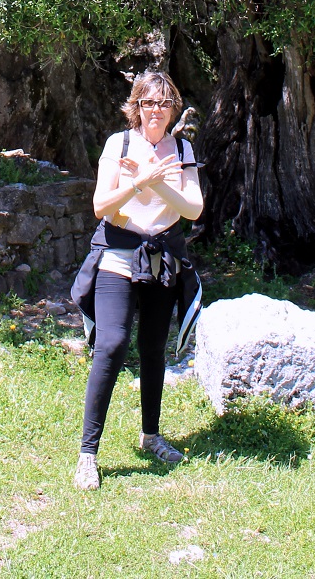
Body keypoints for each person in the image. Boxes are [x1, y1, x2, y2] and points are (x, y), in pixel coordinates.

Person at [71, 69, 204, 491]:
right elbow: (100, 205)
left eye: (164, 104)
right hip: (118, 254)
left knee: (152, 348)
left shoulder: (181, 148)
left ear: (173, 108)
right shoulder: (119, 143)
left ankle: (150, 435)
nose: (156, 111)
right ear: (137, 105)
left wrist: (160, 184)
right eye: (149, 103)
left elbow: (193, 209)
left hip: (162, 258)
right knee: (111, 343)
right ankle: (87, 455)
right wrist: (137, 184)